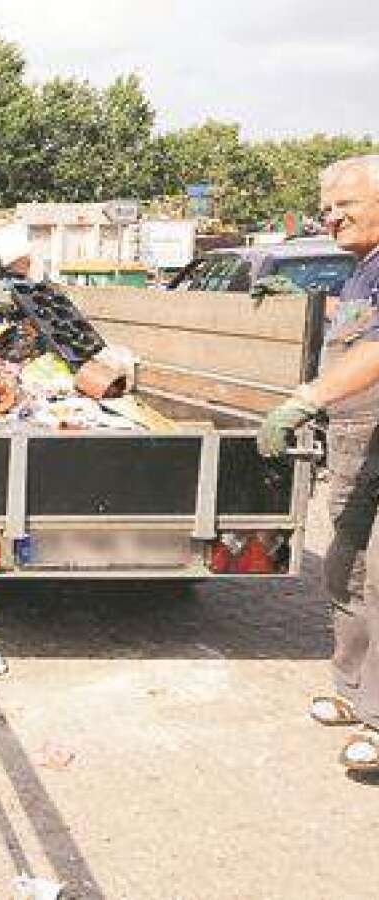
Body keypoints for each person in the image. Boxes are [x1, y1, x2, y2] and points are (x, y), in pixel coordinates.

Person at [257, 154, 379, 773]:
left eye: (345, 205)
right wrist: (309, 303)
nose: (331, 218)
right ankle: (356, 692)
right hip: (358, 444)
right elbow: (357, 330)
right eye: (326, 208)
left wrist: (306, 400)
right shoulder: (363, 271)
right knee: (345, 569)